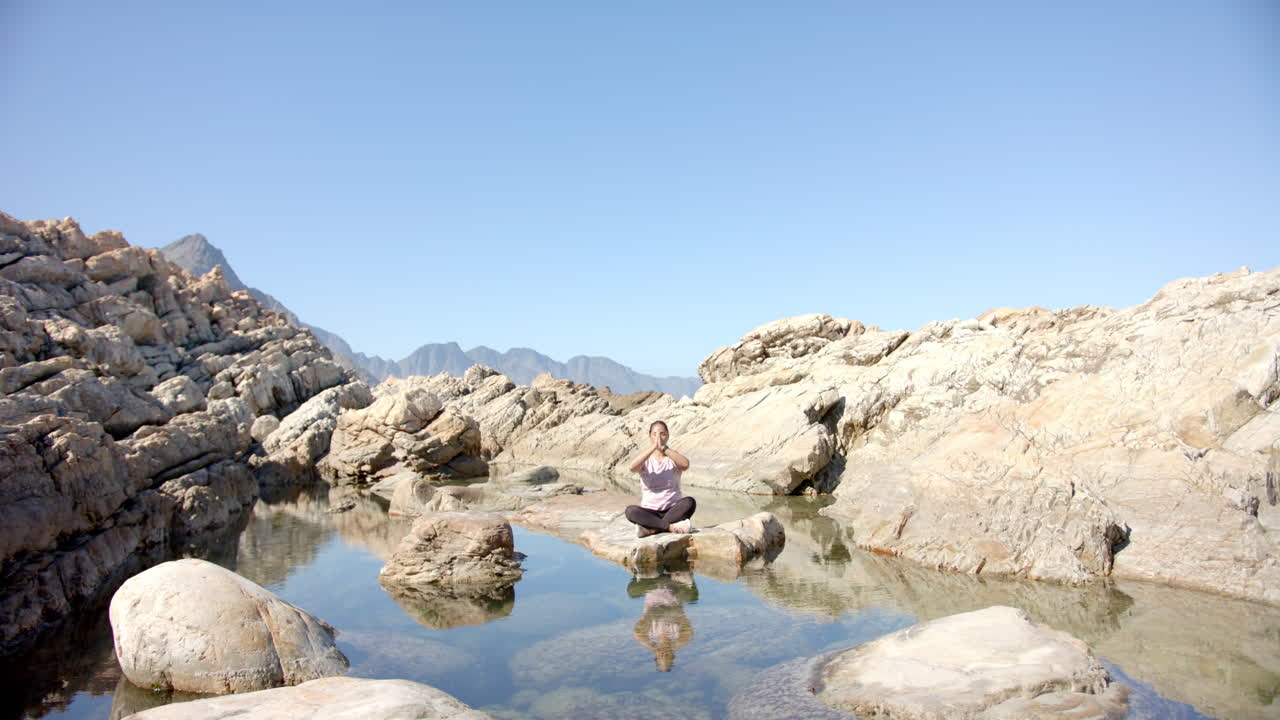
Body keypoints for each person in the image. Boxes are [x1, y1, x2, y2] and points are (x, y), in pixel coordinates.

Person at [626, 420, 695, 538]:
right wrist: (653, 448)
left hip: (672, 510)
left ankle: (652, 529)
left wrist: (664, 448)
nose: (658, 438)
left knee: (689, 502)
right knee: (630, 511)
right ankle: (669, 527)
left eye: (662, 434)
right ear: (650, 436)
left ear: (667, 436)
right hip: (649, 512)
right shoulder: (646, 459)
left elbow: (685, 465)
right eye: (655, 434)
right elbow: (632, 468)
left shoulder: (672, 456)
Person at [629, 572, 697, 672]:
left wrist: (652, 647)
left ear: (656, 655)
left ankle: (652, 572)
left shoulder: (651, 631)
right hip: (674, 584)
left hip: (653, 584)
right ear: (673, 654)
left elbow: (637, 632)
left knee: (632, 592)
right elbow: (689, 634)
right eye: (667, 656)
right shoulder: (676, 632)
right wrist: (675, 646)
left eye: (661, 656)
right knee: (692, 597)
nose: (664, 653)